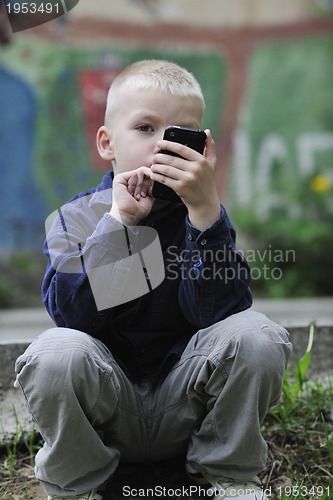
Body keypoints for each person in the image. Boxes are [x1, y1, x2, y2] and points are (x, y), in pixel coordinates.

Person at [14, 60, 292, 500]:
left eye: (181, 134)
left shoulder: (204, 216)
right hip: (109, 406)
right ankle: (81, 483)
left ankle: (227, 475)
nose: (163, 144)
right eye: (145, 127)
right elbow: (73, 317)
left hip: (187, 407)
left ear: (202, 147)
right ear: (107, 143)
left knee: (257, 334)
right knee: (55, 350)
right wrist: (120, 223)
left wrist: (204, 215)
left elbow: (216, 315)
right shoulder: (77, 217)